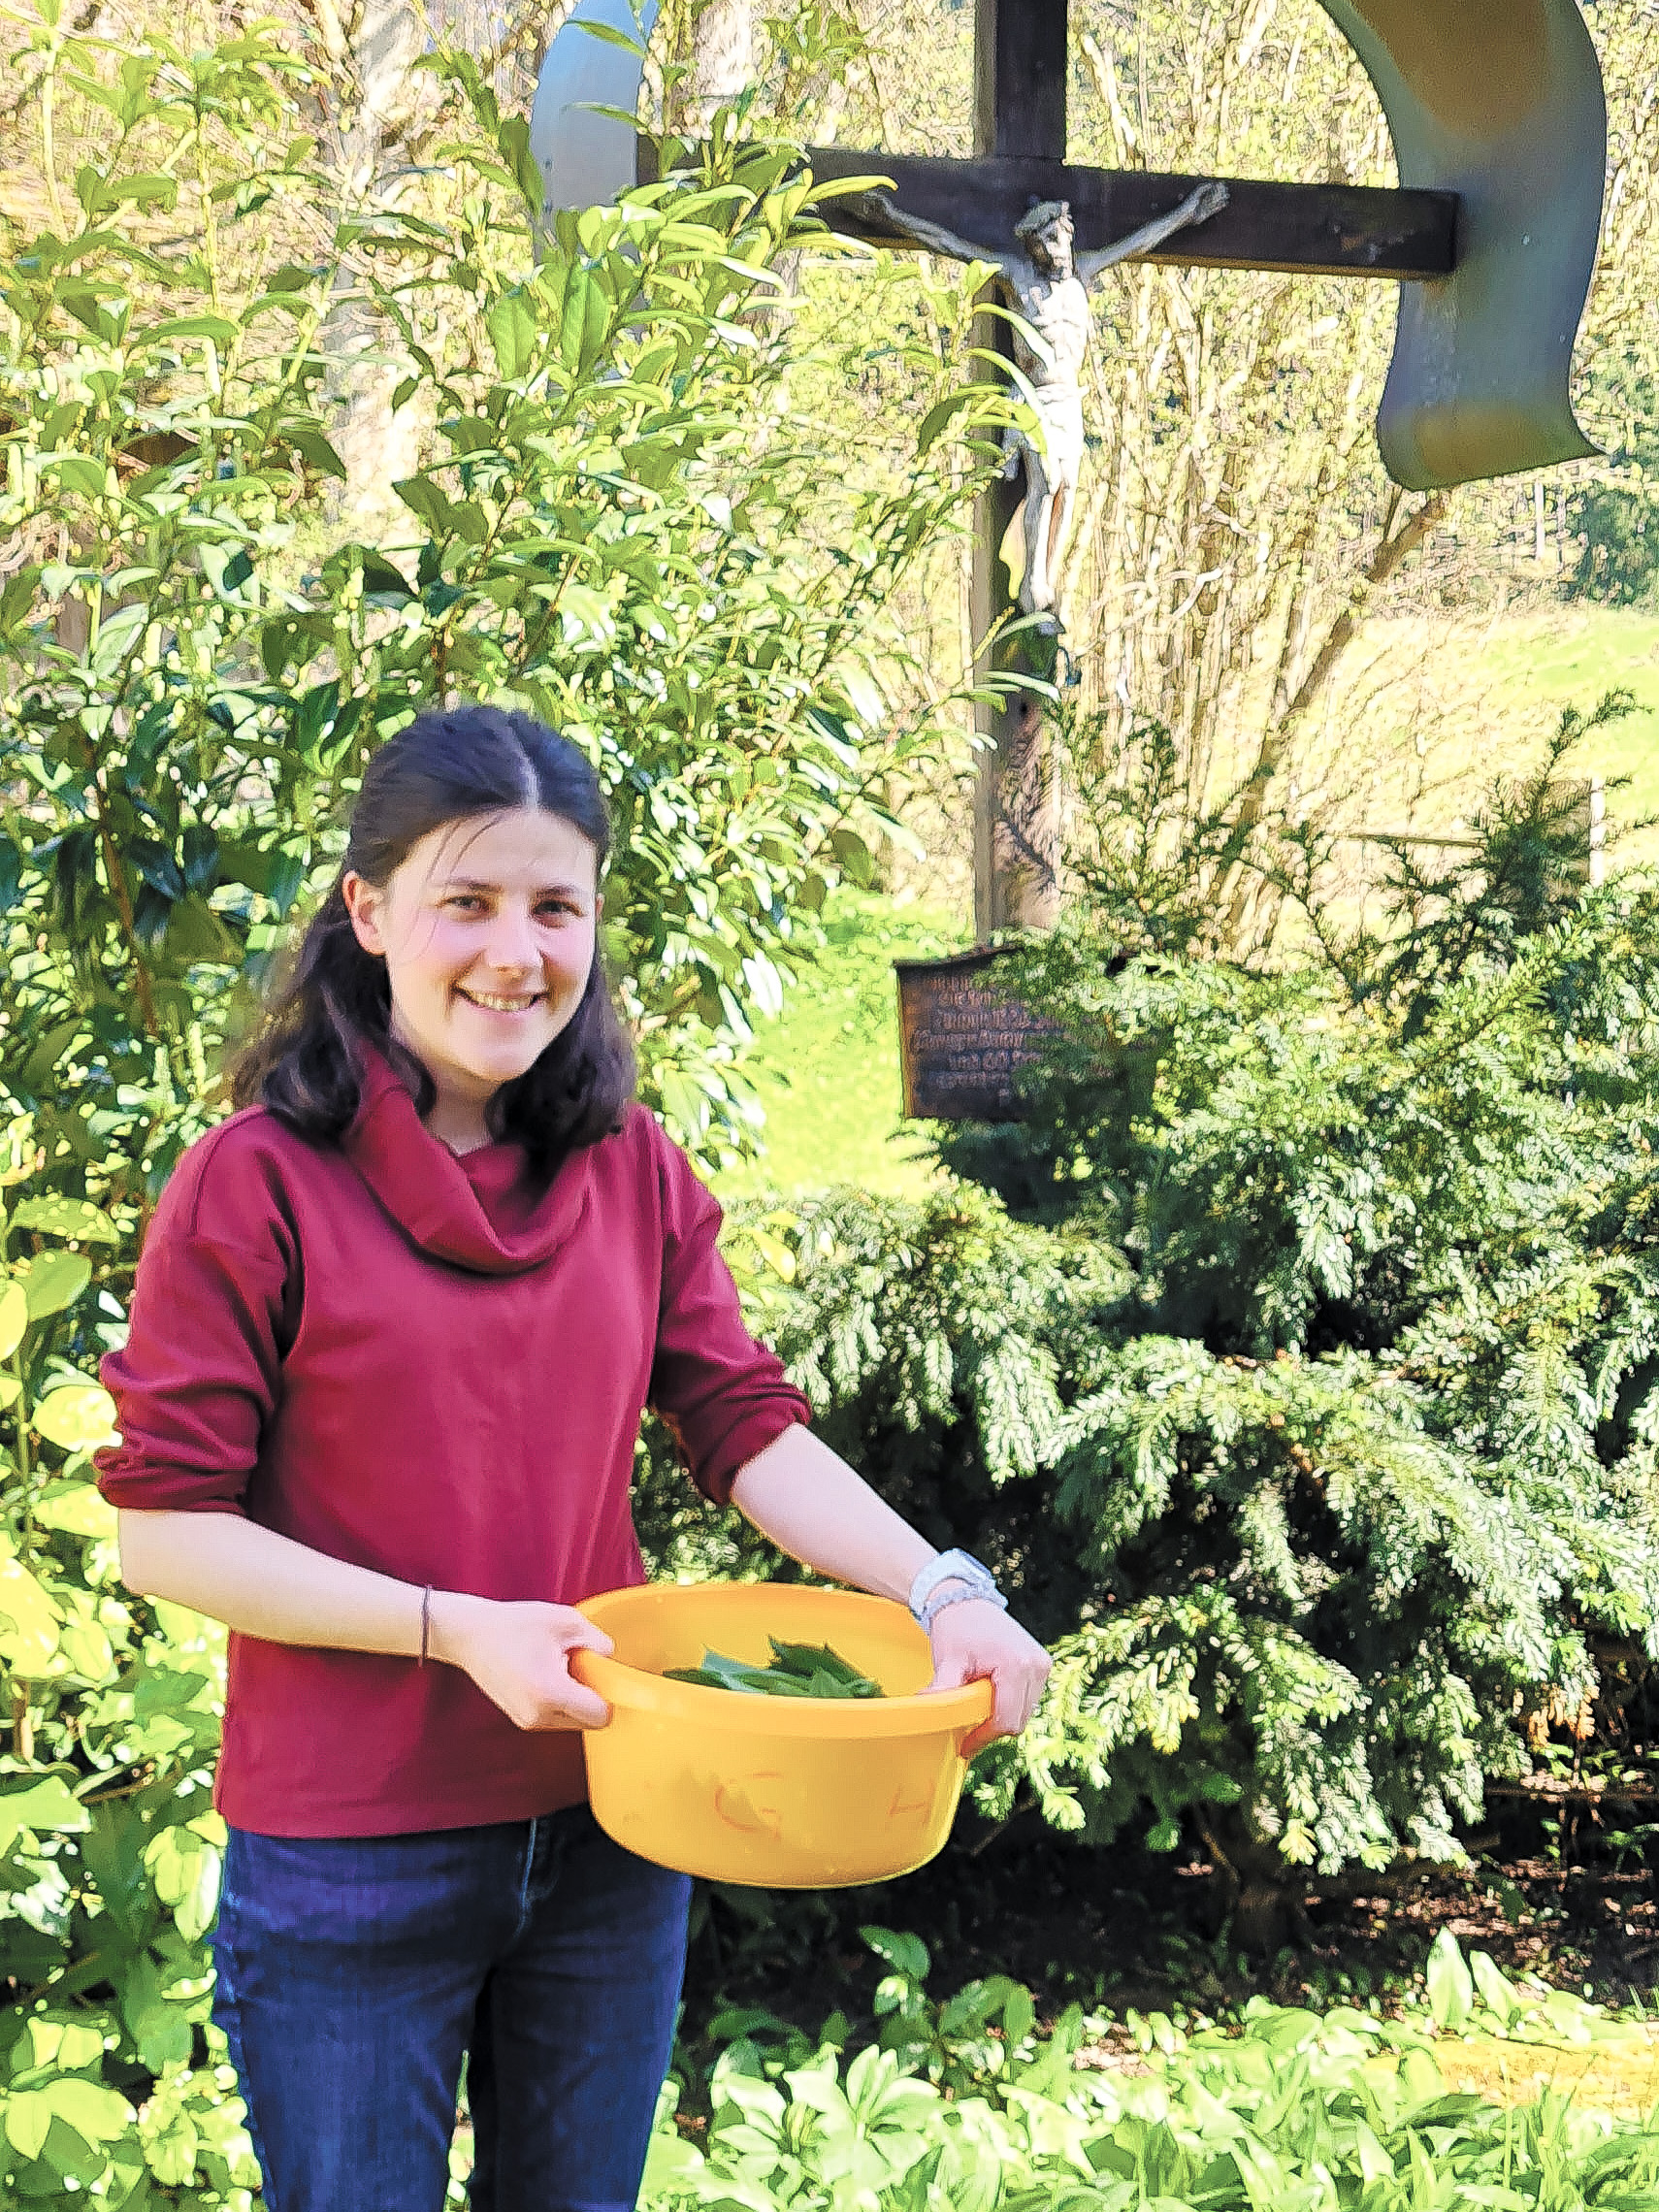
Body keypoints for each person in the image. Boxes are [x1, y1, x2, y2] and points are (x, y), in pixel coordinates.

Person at [95, 703, 1052, 2212]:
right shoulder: (252, 1187)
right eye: (465, 901)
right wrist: (454, 1630)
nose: (514, 952)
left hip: (613, 1819)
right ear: (368, 912)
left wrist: (945, 1591)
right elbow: (165, 1531)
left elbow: (744, 1424)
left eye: (555, 907)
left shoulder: (633, 1169)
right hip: (352, 1853)